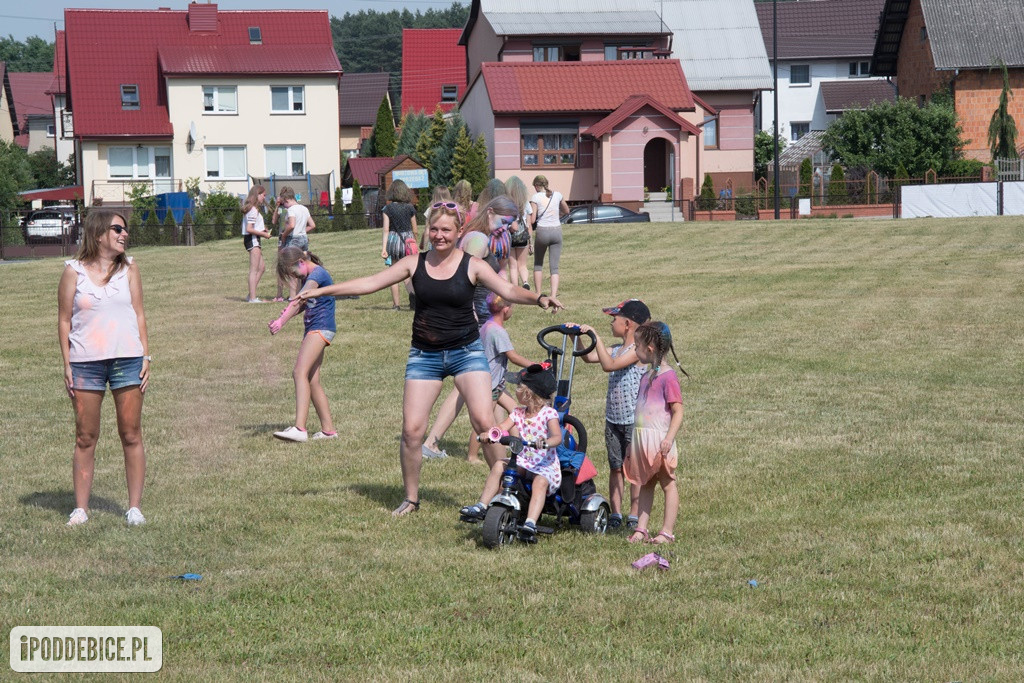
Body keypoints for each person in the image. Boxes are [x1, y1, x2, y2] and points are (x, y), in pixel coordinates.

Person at [298, 201, 563, 516]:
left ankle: (508, 488)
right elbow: (369, 283)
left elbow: (507, 289)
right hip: (425, 354)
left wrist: (540, 297)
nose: (439, 235)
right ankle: (411, 499)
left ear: (459, 231)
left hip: (467, 352)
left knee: (484, 421)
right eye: (434, 229)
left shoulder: (473, 264)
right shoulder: (414, 263)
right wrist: (322, 291)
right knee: (412, 430)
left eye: (446, 230)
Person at [57, 210, 150, 527]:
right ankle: (80, 509)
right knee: (85, 436)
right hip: (85, 363)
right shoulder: (73, 272)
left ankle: (134, 508)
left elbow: (139, 314)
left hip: (128, 360)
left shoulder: (130, 269)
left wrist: (146, 357)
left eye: (125, 229)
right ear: (98, 234)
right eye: (117, 229)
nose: (124, 234)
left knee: (131, 434)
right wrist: (67, 363)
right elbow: (64, 320)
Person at [420, 195, 520, 461]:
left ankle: (501, 446)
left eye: (509, 224)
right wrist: (471, 315)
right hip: (475, 320)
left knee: (489, 385)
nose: (505, 227)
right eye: (503, 221)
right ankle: (431, 441)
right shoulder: (478, 240)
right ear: (489, 213)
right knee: (467, 387)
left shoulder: (483, 237)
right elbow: (458, 277)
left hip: (480, 318)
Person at [460, 364, 563, 543]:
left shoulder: (548, 414)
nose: (514, 391)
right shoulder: (517, 413)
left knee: (539, 482)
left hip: (544, 466)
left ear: (528, 393)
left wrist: (545, 443)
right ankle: (482, 505)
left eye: (518, 388)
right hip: (524, 460)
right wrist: (491, 435)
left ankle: (530, 522)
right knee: (500, 465)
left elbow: (557, 437)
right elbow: (502, 428)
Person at [573, 299, 651, 530]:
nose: (611, 323)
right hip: (613, 418)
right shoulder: (617, 349)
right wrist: (575, 336)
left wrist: (595, 337)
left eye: (614, 319)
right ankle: (616, 513)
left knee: (634, 470)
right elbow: (588, 357)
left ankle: (634, 514)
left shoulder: (638, 351)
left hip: (633, 420)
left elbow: (610, 365)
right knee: (615, 466)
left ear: (627, 324)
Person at [625, 321, 686, 545]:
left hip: (660, 441)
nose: (635, 350)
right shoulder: (646, 376)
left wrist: (669, 438)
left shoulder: (668, 378)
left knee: (667, 483)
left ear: (649, 349)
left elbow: (678, 411)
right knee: (646, 484)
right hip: (643, 442)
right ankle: (641, 529)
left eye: (636, 345)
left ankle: (667, 532)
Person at [267, 247, 337, 443]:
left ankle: (299, 428)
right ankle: (328, 431)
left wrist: (281, 321)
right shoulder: (309, 277)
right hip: (316, 328)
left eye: (293, 273)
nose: (294, 278)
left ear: (300, 262)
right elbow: (304, 304)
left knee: (299, 372)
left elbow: (299, 300)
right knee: (312, 380)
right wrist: (285, 315)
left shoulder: (317, 275)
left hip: (320, 328)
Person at [464, 294, 536, 464]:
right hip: (489, 385)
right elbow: (513, 357)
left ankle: (519, 448)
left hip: (497, 383)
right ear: (506, 309)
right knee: (483, 420)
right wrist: (535, 365)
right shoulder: (498, 331)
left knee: (516, 412)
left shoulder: (486, 326)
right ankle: (472, 456)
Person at [380, 180, 419, 310]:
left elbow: (386, 229)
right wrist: (415, 243)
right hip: (408, 242)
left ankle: (396, 305)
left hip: (393, 242)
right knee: (408, 273)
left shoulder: (387, 208)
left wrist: (384, 248)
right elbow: (415, 229)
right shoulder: (410, 207)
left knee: (393, 273)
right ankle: (413, 296)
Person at [530, 175, 569, 299]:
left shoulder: (535, 197)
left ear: (536, 186)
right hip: (556, 230)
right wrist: (557, 215)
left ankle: (538, 294)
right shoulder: (557, 195)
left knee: (538, 264)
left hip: (542, 231)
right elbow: (567, 211)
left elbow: (533, 219)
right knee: (554, 267)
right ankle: (553, 296)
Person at [276, 187, 316, 299]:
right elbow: (312, 225)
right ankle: (300, 293)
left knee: (292, 267)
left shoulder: (291, 210)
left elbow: (292, 225)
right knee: (302, 267)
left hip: (293, 239)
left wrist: (284, 235)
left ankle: (292, 297)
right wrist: (302, 230)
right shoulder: (304, 208)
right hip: (303, 238)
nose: (284, 206)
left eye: (284, 204)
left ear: (287, 200)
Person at [242, 184, 272, 303]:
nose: (264, 198)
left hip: (254, 238)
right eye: (263, 195)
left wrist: (262, 230)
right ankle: (253, 298)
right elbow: (249, 228)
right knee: (254, 269)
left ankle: (251, 294)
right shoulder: (253, 210)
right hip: (252, 239)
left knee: (262, 267)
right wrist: (264, 234)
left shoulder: (252, 209)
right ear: (257, 194)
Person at [504, 175, 533, 288]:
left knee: (513, 266)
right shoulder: (526, 203)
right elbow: (529, 225)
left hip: (510, 237)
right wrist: (531, 243)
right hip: (523, 237)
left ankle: (515, 288)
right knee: (523, 265)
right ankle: (525, 282)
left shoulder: (506, 203)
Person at [420, 186, 452, 251]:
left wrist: (424, 247)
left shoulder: (430, 210)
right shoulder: (452, 210)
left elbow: (427, 230)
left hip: (434, 244)